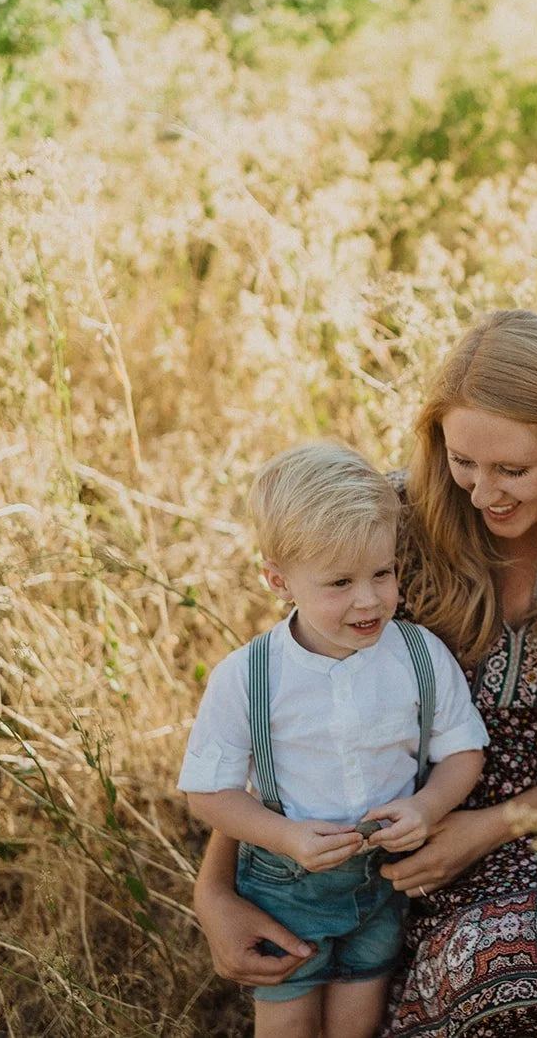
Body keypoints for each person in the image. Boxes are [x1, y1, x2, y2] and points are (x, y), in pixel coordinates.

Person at [192, 311, 537, 1037]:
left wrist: (481, 829)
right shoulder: (397, 520)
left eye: (513, 470)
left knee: (516, 978)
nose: (483, 492)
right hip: (364, 837)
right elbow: (290, 708)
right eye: (464, 462)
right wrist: (214, 889)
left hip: (533, 828)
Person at [180, 441, 489, 1038]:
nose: (369, 599)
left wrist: (426, 807)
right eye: (340, 582)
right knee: (290, 1024)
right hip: (284, 887)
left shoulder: (419, 656)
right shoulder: (247, 677)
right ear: (279, 580)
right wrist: (287, 835)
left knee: (357, 1023)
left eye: (383, 572)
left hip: (381, 885)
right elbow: (209, 794)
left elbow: (463, 751)